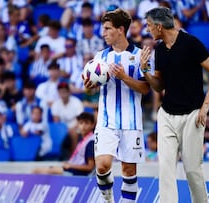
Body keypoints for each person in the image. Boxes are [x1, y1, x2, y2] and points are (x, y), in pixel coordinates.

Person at [141, 7, 209, 203]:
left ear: (159, 26)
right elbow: (160, 87)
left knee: (193, 169)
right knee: (165, 167)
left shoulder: (191, 43)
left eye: (149, 25)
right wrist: (145, 72)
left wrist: (206, 106)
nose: (147, 29)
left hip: (192, 115)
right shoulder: (159, 50)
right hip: (167, 114)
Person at [83, 8, 150, 203]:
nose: (103, 33)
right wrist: (89, 88)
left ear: (121, 29)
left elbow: (145, 89)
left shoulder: (139, 56)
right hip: (106, 121)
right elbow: (91, 90)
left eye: (107, 29)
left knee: (129, 171)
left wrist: (123, 77)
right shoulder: (100, 57)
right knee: (102, 166)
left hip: (132, 121)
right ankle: (109, 199)